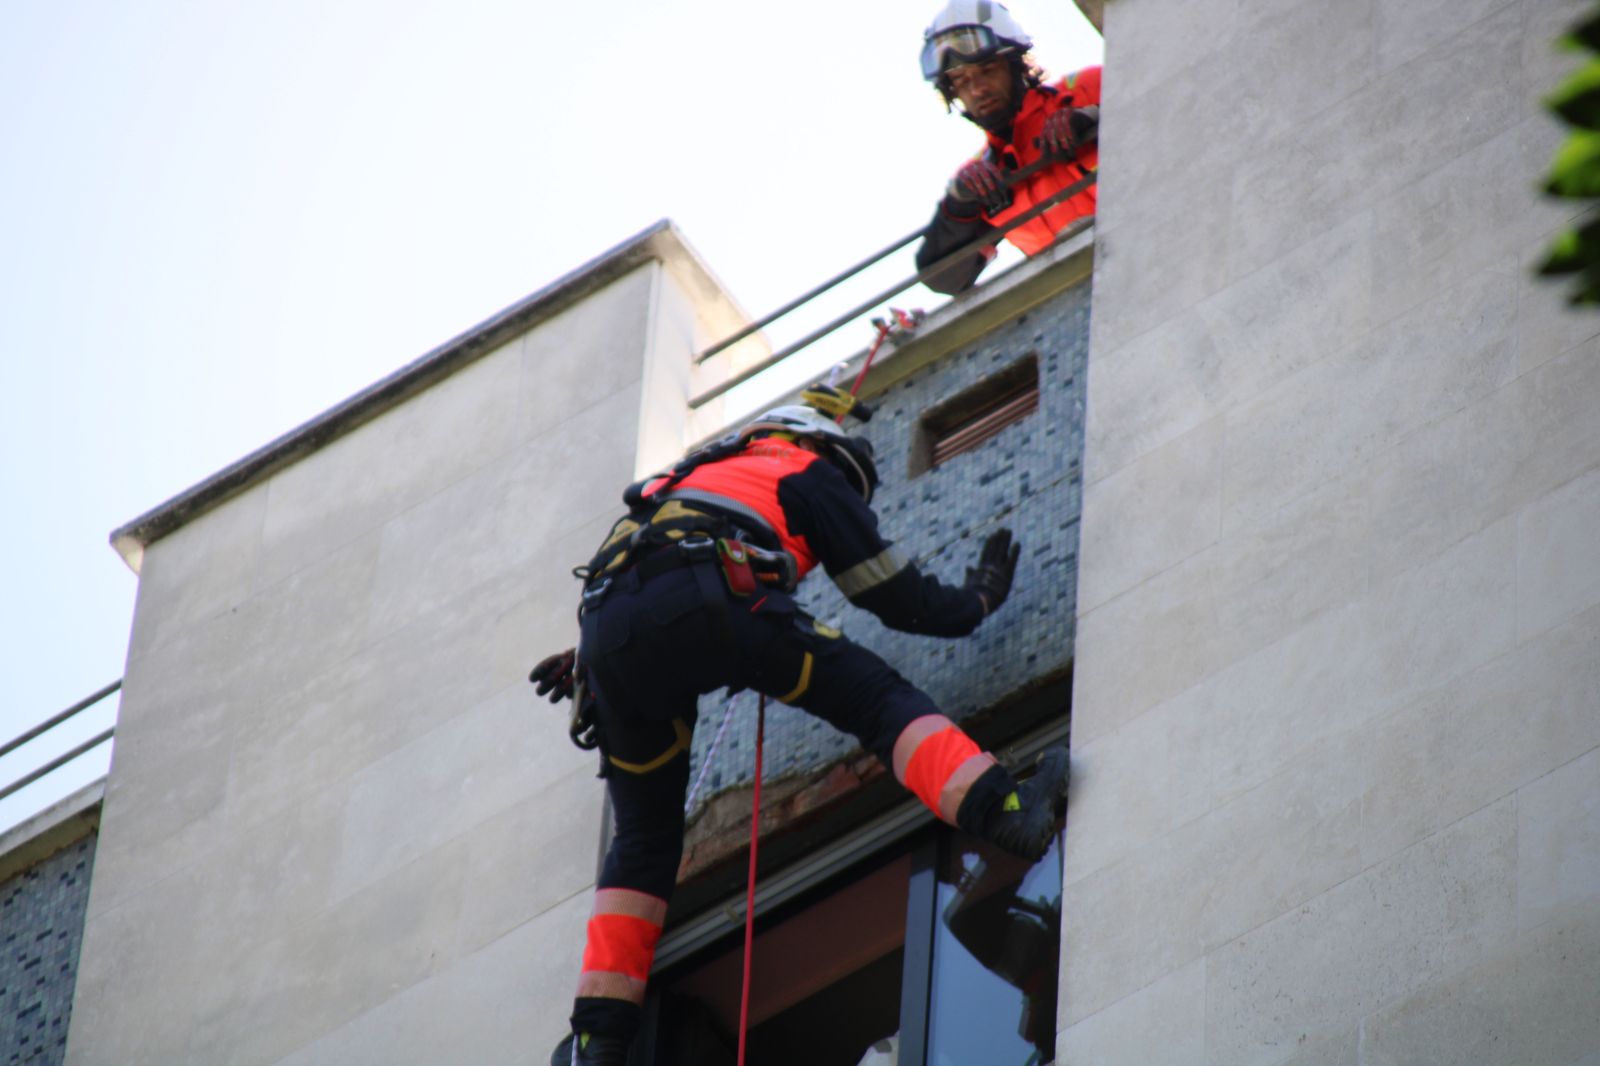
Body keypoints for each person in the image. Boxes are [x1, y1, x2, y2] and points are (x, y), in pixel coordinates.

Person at [530, 385, 1070, 1065]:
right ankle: (1006, 807)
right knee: (875, 702)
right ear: (823, 442)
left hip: (608, 645)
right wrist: (977, 599)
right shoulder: (807, 468)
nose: (851, 493)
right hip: (715, 600)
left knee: (641, 842)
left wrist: (589, 661)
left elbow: (644, 593)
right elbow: (899, 600)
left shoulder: (677, 488)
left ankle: (597, 1043)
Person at [915, 0, 1102, 295]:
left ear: (1016, 65)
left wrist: (1097, 118)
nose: (977, 89)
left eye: (988, 70)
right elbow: (943, 278)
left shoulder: (1086, 88)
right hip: (1084, 297)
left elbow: (1177, 107)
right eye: (961, 81)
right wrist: (958, 207)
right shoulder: (982, 176)